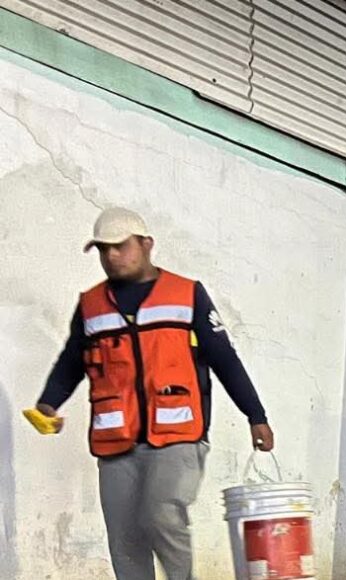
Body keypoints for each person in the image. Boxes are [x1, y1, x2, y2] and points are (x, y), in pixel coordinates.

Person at [34, 207, 274, 580]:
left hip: (178, 435)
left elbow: (224, 357)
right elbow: (71, 361)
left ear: (146, 244)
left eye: (119, 246)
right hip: (116, 439)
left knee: (160, 511)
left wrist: (255, 416)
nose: (111, 256)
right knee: (124, 535)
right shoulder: (91, 304)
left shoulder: (186, 294)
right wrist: (49, 402)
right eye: (102, 250)